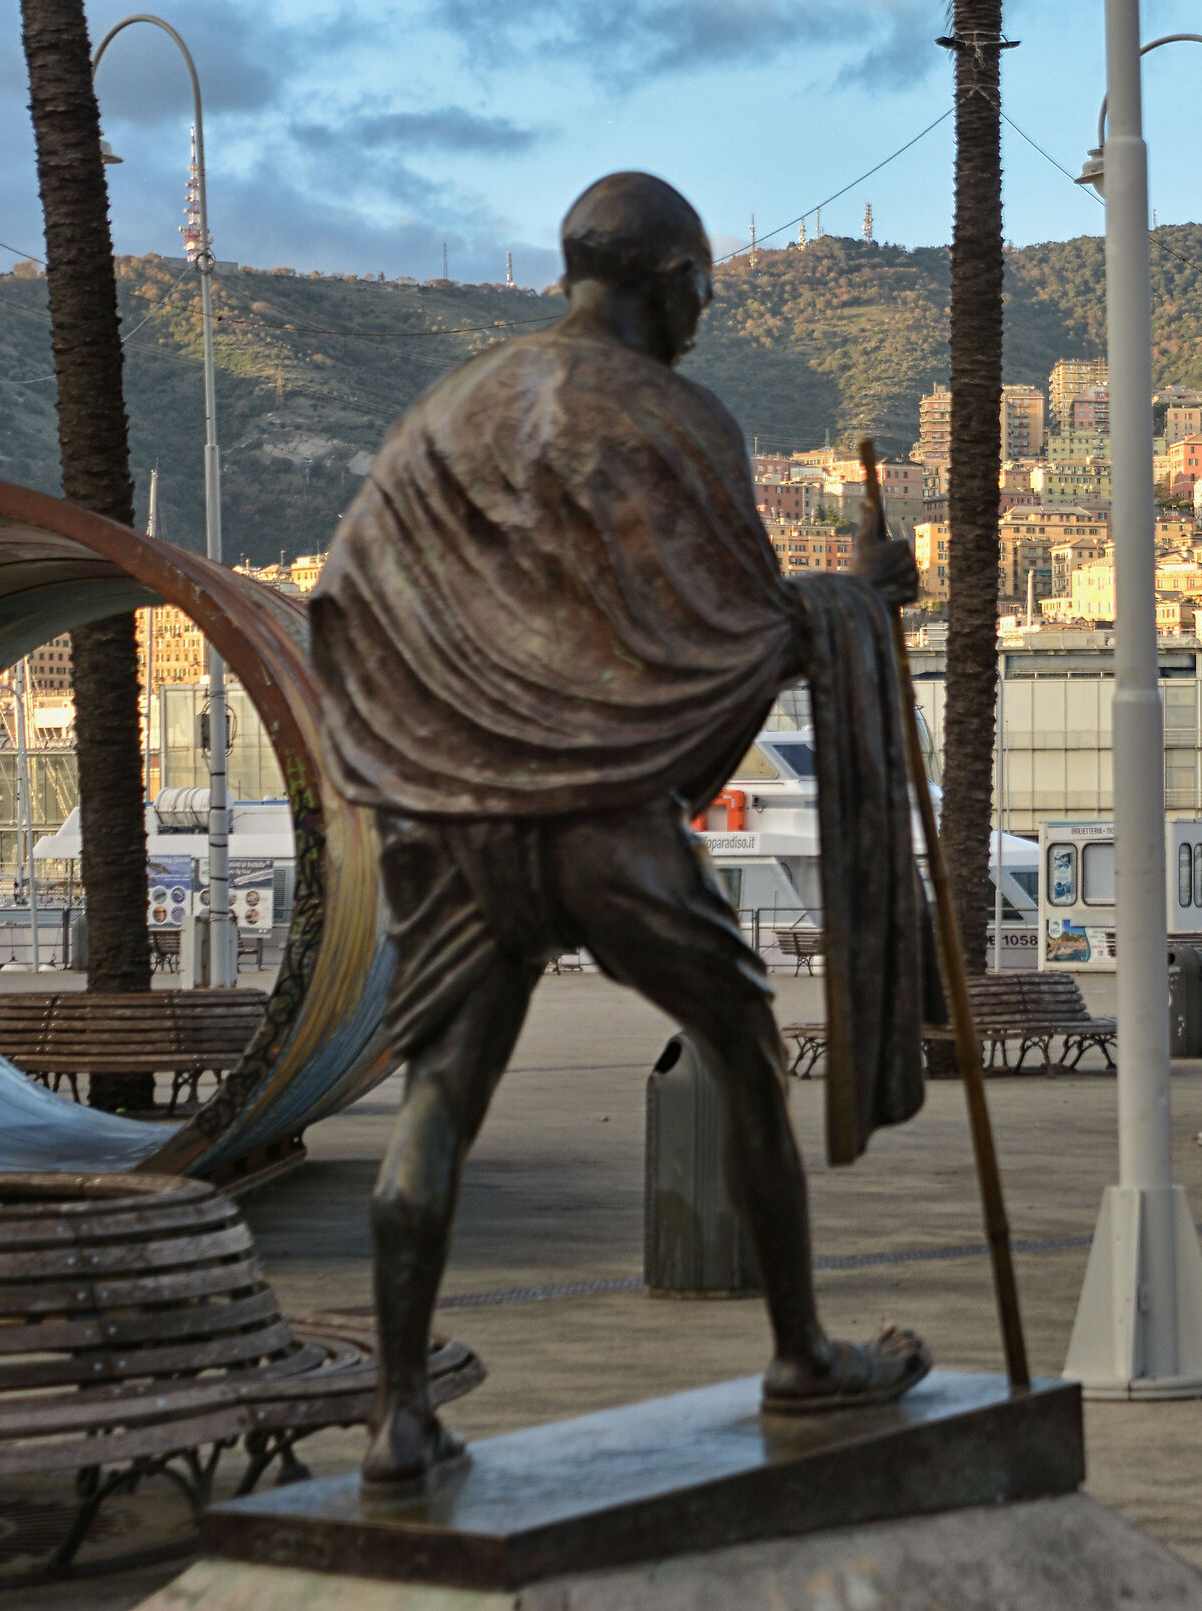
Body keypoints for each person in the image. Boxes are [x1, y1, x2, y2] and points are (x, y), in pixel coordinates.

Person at [312, 173, 931, 1496]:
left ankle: (400, 1413)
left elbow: (346, 597)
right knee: (741, 1044)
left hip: (467, 810)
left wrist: (442, 746)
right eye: (702, 282)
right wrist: (857, 602)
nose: (705, 308)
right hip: (600, 815)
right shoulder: (676, 417)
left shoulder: (447, 413)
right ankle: (801, 1351)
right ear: (665, 278)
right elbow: (734, 628)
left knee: (443, 1090)